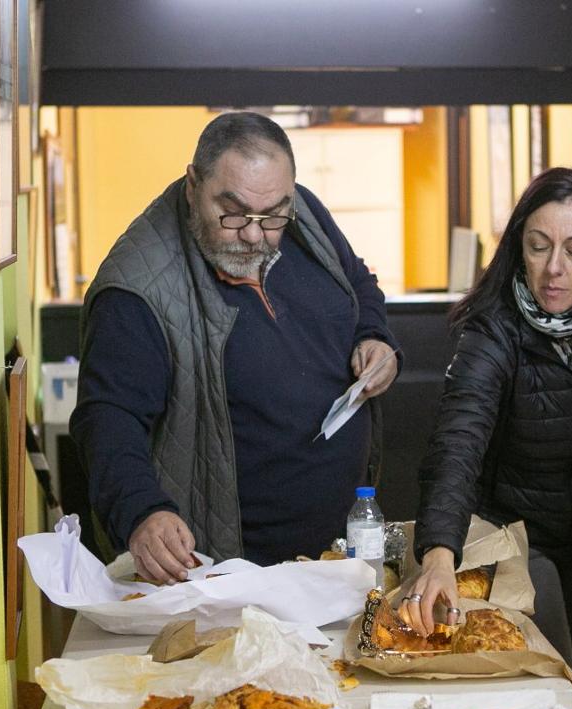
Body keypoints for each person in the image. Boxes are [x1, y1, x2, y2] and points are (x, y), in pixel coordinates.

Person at [71, 111, 399, 582]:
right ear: (192, 185)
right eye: (233, 213)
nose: (252, 234)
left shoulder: (299, 210)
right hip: (233, 573)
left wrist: (374, 336)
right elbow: (108, 419)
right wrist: (143, 512)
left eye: (272, 218)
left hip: (338, 553)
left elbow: (358, 282)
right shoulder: (137, 289)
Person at [403, 167, 572, 709]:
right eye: (538, 247)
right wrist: (439, 554)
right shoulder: (493, 329)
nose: (553, 269)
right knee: (537, 676)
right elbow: (458, 442)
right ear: (520, 246)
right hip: (511, 536)